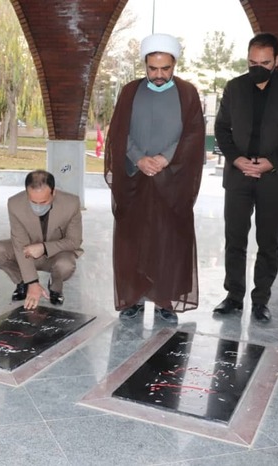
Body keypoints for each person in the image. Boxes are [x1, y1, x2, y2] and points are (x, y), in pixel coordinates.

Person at [104, 33, 204, 324]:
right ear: (144, 65)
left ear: (174, 65)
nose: (159, 75)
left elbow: (194, 134)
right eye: (153, 68)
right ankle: (133, 299)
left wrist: (165, 158)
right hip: (135, 179)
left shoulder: (187, 93)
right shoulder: (130, 91)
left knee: (168, 241)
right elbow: (119, 131)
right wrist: (138, 158)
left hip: (173, 181)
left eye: (165, 68)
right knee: (133, 241)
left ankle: (165, 300)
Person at [213, 33, 278, 322]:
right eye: (252, 62)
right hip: (238, 175)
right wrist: (236, 159)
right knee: (234, 239)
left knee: (268, 242)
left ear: (277, 60)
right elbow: (221, 129)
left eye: (265, 63)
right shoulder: (235, 87)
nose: (258, 68)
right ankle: (233, 296)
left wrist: (272, 162)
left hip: (272, 177)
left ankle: (261, 300)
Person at [0, 170, 83, 309]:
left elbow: (74, 241)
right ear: (26, 193)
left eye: (44, 202)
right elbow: (19, 243)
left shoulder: (71, 203)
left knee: (66, 265)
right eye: (33, 202)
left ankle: (55, 287)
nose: (38, 207)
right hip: (27, 252)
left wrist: (44, 247)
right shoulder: (15, 204)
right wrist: (32, 282)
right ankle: (23, 281)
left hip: (56, 254)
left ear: (54, 192)